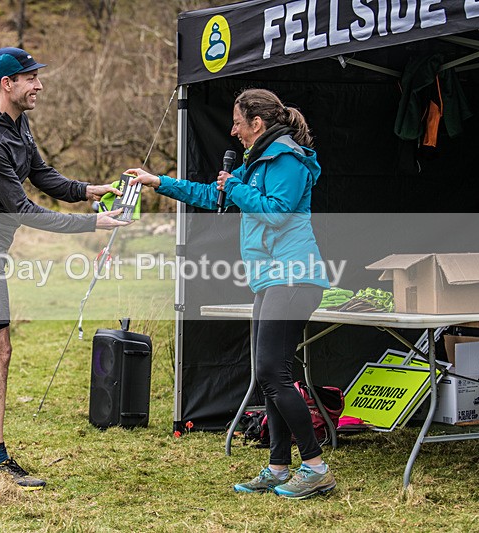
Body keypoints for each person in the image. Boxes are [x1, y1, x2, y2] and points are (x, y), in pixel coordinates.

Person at [0, 47, 129, 490]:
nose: (39, 85)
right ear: (7, 84)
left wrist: (88, 191)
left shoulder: (16, 124)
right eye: (31, 78)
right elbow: (23, 209)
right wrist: (91, 223)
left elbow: (43, 176)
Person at [127, 88, 334, 500]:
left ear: (257, 123)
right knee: (268, 374)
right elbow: (212, 195)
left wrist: (236, 187)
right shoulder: (256, 162)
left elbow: (276, 213)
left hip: (293, 276)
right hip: (271, 279)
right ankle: (278, 467)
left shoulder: (287, 159)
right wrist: (158, 182)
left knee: (275, 374)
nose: (233, 129)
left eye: (238, 122)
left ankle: (315, 467)